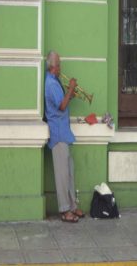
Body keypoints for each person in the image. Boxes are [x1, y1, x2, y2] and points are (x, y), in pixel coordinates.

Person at [45, 51, 85, 223]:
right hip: (58, 134)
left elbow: (63, 101)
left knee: (69, 173)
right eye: (59, 64)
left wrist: (70, 92)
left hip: (64, 133)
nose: (61, 67)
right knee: (62, 175)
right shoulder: (51, 84)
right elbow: (61, 106)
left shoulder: (56, 82)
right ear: (54, 66)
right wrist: (70, 88)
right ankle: (64, 211)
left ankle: (73, 206)